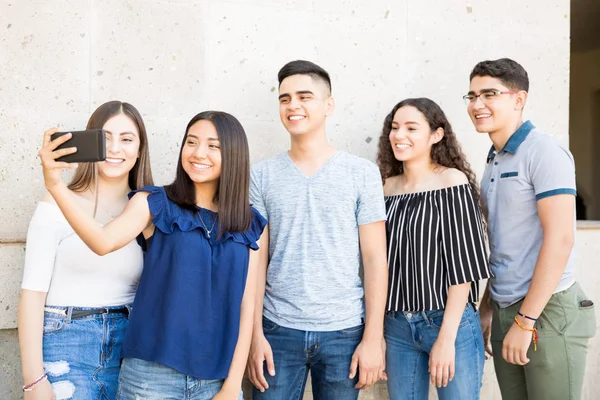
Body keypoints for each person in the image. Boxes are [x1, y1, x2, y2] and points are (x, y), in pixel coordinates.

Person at [37, 110, 266, 400]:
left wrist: (233, 386)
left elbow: (247, 306)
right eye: (191, 142)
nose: (198, 153)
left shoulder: (250, 223)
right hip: (150, 378)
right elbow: (102, 241)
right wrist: (55, 186)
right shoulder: (155, 202)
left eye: (213, 145)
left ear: (234, 154)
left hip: (217, 380)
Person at [246, 60, 388, 400]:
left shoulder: (362, 173)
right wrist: (254, 336)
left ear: (328, 105)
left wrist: (372, 338)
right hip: (277, 330)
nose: (293, 105)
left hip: (344, 331)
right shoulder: (261, 176)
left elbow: (374, 260)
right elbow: (256, 262)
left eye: (304, 96)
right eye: (285, 98)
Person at [467, 58, 596, 400]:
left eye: (489, 94)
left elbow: (561, 238)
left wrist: (525, 322)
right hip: (506, 308)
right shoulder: (494, 157)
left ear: (518, 99)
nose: (477, 104)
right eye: (472, 95)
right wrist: (487, 307)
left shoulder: (543, 150)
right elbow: (507, 242)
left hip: (546, 312)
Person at [18, 101, 154, 399]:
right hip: (66, 342)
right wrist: (33, 380)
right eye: (104, 138)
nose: (115, 148)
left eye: (127, 139)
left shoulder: (147, 212)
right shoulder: (55, 204)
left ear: (140, 149)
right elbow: (32, 293)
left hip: (130, 350)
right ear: (89, 143)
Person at [378, 97, 492, 399]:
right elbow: (376, 265)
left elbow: (464, 268)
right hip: (397, 325)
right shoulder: (385, 188)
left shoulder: (451, 182)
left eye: (411, 128)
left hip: (448, 320)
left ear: (436, 135)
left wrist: (446, 339)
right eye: (395, 127)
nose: (399, 136)